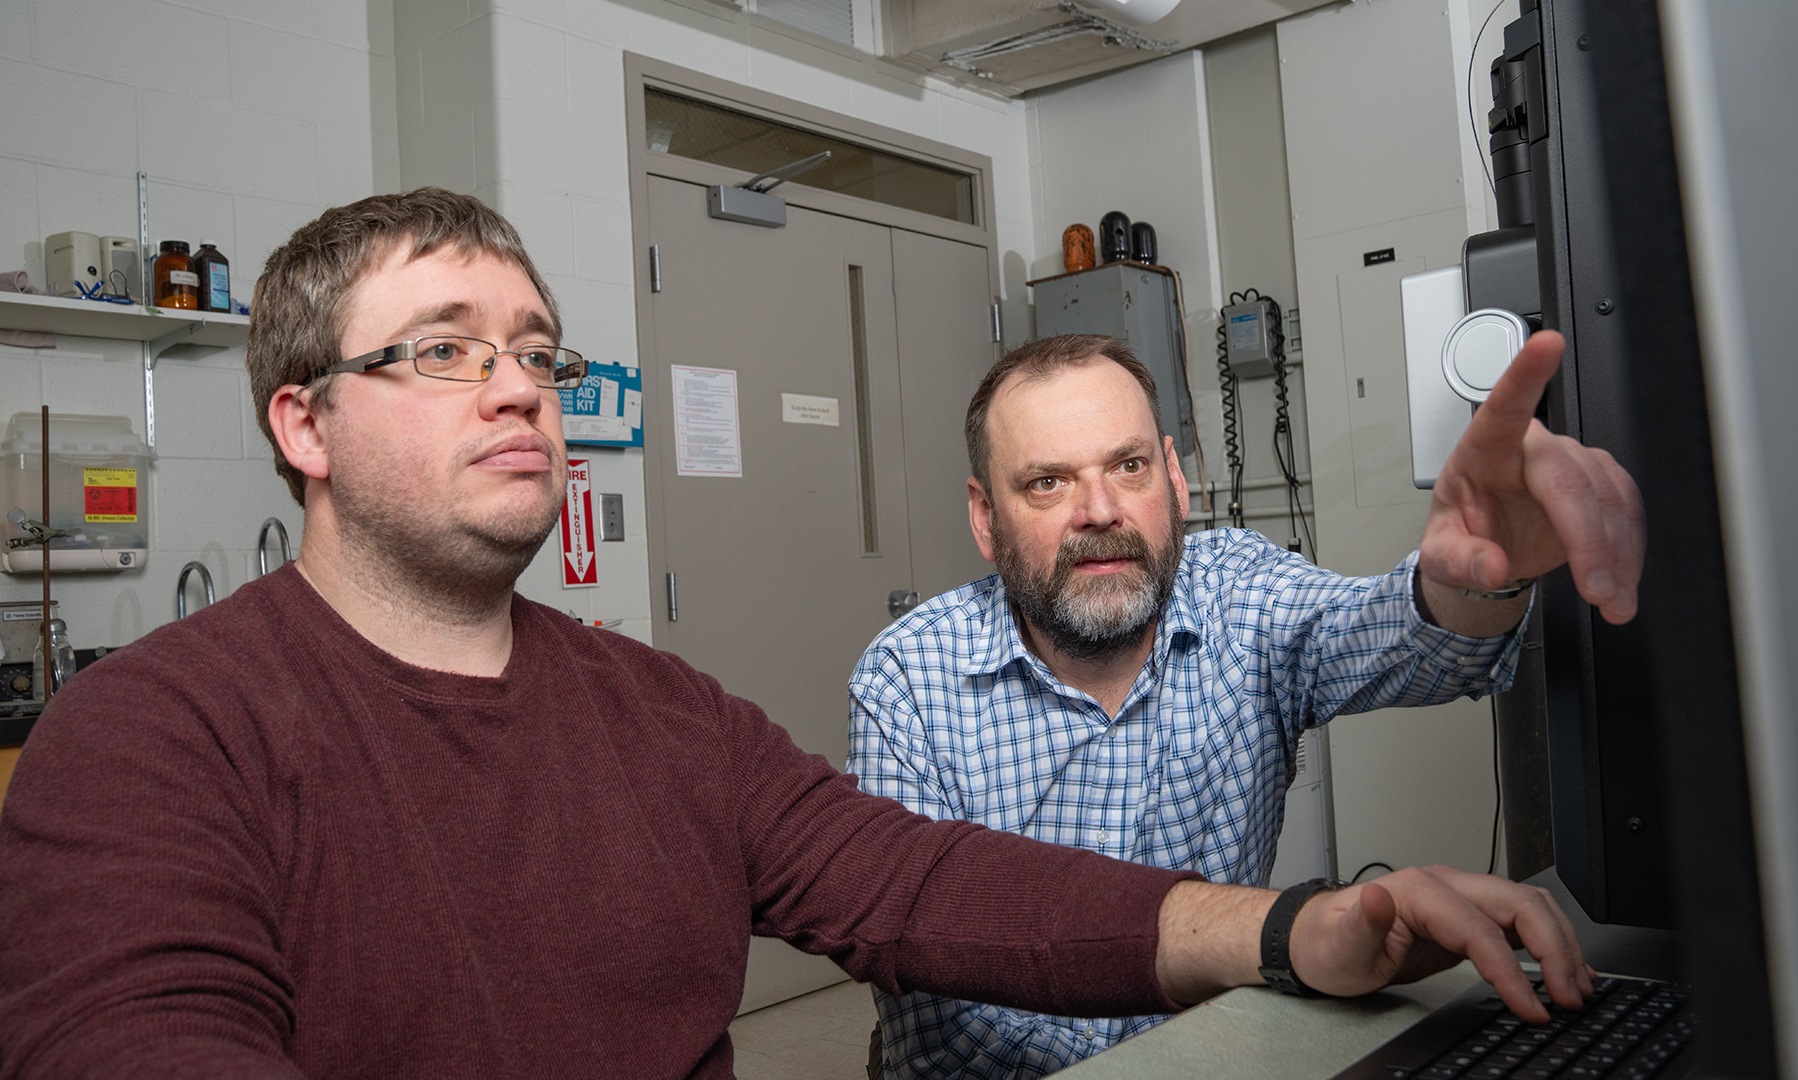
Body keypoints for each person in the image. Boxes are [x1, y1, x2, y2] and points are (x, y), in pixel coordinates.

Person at [0, 191, 1596, 1080]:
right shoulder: (150, 737)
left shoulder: (662, 717)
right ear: (306, 423)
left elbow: (925, 888)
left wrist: (1296, 931)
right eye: (439, 351)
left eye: (538, 355)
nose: (516, 388)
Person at [848, 333, 1642, 1078]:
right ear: (987, 517)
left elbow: (1404, 640)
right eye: (1047, 482)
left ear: (1175, 478)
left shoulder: (1239, 592)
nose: (1099, 511)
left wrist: (1480, 572)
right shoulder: (909, 679)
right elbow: (927, 975)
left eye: (1127, 467)